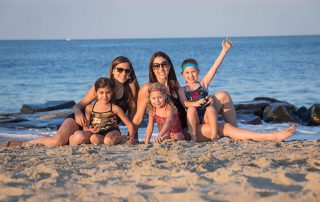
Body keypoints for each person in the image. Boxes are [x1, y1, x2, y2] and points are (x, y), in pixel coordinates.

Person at [133, 47, 295, 142]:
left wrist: (207, 100)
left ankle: (238, 135)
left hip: (194, 122)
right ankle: (271, 136)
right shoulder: (148, 88)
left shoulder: (176, 87)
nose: (161, 68)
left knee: (223, 95)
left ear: (170, 66)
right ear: (152, 68)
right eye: (156, 66)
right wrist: (131, 135)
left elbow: (191, 101)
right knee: (224, 127)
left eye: (164, 64)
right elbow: (139, 118)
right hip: (185, 132)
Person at [6, 56, 139, 147]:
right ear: (113, 71)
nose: (123, 73)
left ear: (130, 73)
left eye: (127, 70)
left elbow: (133, 117)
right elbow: (79, 105)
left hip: (98, 130)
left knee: (78, 140)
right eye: (120, 69)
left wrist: (133, 137)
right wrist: (78, 113)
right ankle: (23, 144)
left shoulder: (130, 91)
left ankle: (71, 138)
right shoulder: (102, 86)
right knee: (57, 141)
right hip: (80, 119)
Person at [178, 38, 232, 142]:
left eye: (193, 72)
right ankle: (193, 137)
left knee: (211, 108)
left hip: (207, 116)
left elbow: (214, 67)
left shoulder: (203, 83)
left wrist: (224, 51)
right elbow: (184, 103)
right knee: (191, 109)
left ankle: (213, 137)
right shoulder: (182, 89)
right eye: (187, 73)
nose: (191, 75)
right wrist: (196, 103)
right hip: (195, 119)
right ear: (182, 75)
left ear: (198, 72)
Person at [72, 77, 134, 145]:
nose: (105, 96)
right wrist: (90, 130)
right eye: (101, 92)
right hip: (98, 133)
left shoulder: (115, 108)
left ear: (112, 92)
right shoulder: (89, 108)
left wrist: (131, 137)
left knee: (108, 140)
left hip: (113, 132)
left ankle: (121, 138)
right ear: (96, 93)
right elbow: (85, 127)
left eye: (108, 92)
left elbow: (129, 124)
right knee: (93, 138)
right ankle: (109, 141)